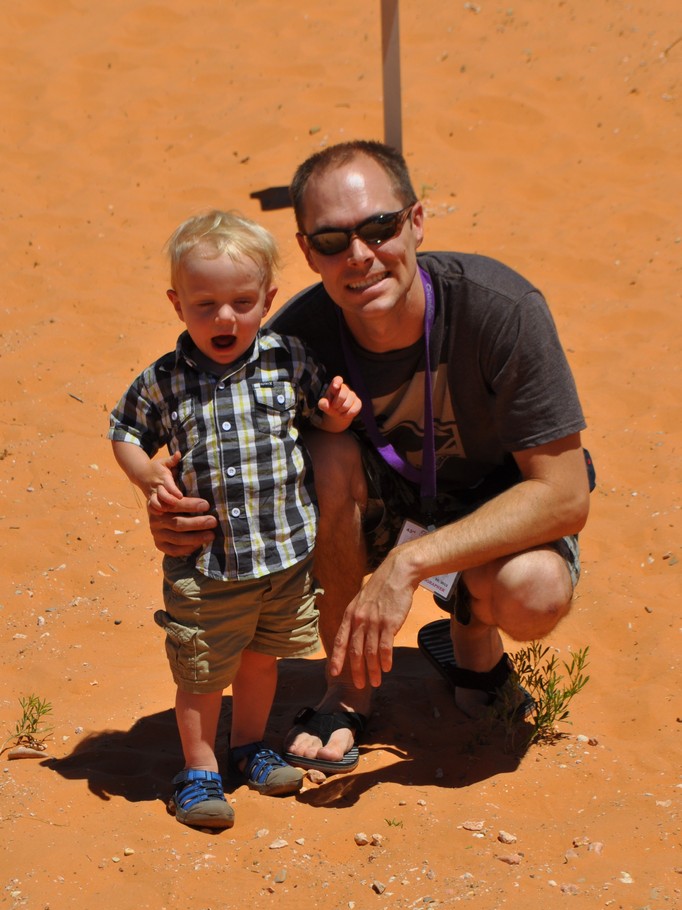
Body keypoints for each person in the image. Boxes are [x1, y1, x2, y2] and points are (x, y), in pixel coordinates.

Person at [146, 141, 591, 776]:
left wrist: (409, 565)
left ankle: (470, 633)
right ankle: (348, 688)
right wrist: (174, 515)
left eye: (380, 227)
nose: (359, 255)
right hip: (381, 506)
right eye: (332, 240)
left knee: (536, 591)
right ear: (308, 252)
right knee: (327, 451)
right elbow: (227, 461)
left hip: (496, 508)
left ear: (416, 221)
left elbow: (565, 495)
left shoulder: (500, 310)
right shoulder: (291, 343)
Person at [109, 209, 361, 827]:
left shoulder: (288, 359)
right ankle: (198, 772)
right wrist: (146, 475)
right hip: (208, 565)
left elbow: (317, 417)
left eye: (242, 303)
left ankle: (249, 747)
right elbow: (124, 430)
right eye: (205, 305)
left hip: (283, 559)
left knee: (260, 660)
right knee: (202, 672)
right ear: (178, 305)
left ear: (267, 300)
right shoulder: (164, 381)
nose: (225, 318)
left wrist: (336, 414)